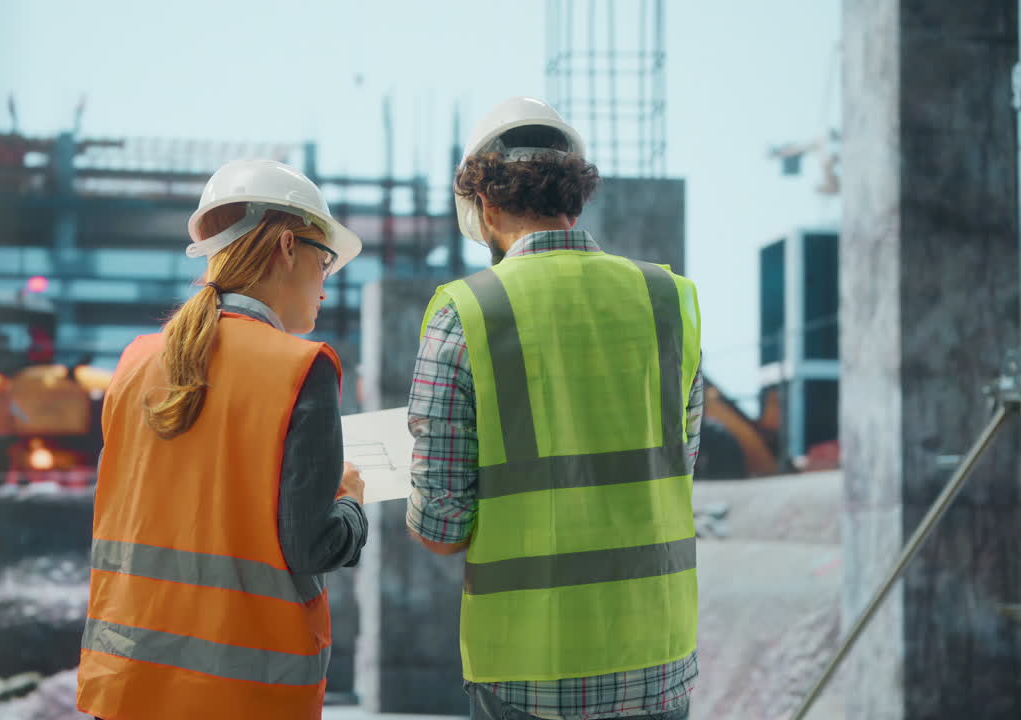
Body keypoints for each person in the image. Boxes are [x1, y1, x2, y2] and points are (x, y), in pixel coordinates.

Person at [405, 97, 705, 720]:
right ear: (576, 192)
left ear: (482, 203)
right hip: (657, 658)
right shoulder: (670, 300)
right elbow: (680, 463)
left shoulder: (466, 313)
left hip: (527, 668)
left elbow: (440, 529)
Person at [77, 159, 368, 720]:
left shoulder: (136, 362)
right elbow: (312, 546)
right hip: (245, 693)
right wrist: (350, 504)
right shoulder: (302, 368)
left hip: (127, 684)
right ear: (287, 246)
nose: (326, 285)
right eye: (324, 259)